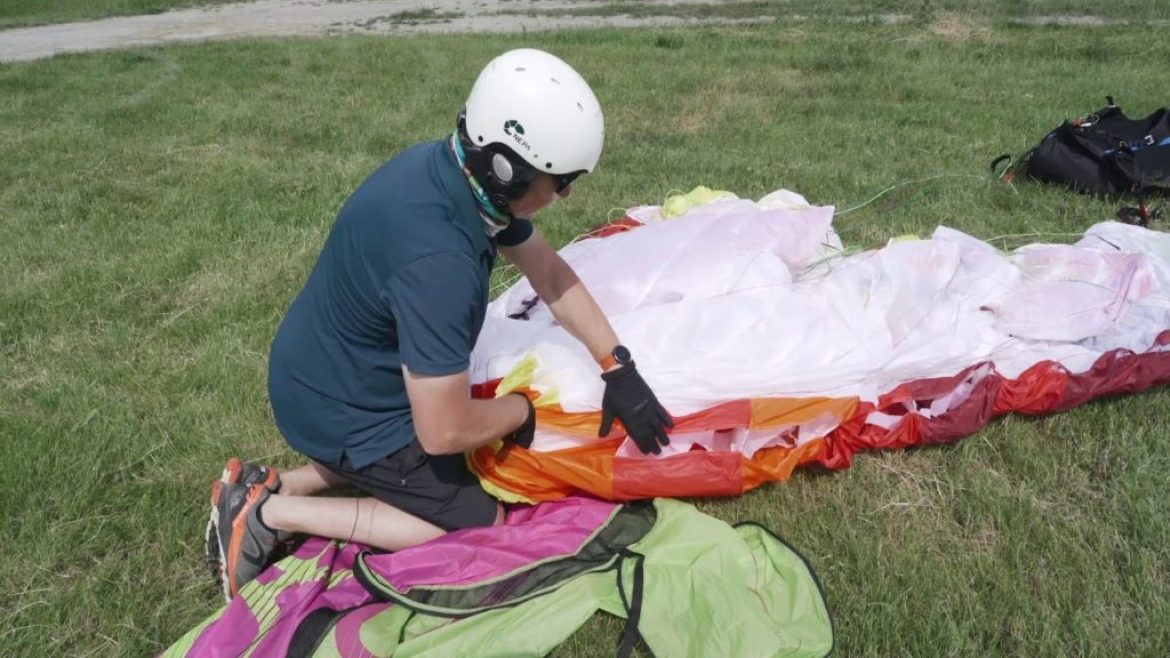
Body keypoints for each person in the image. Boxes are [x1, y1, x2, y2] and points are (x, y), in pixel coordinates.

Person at [206, 48, 675, 601]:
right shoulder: (441, 264)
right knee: (476, 524)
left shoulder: (455, 177)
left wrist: (615, 365)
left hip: (327, 371)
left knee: (462, 446)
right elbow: (442, 430)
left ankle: (282, 482)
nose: (566, 195)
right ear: (509, 169)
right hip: (344, 409)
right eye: (561, 180)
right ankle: (269, 515)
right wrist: (522, 411)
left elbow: (550, 275)